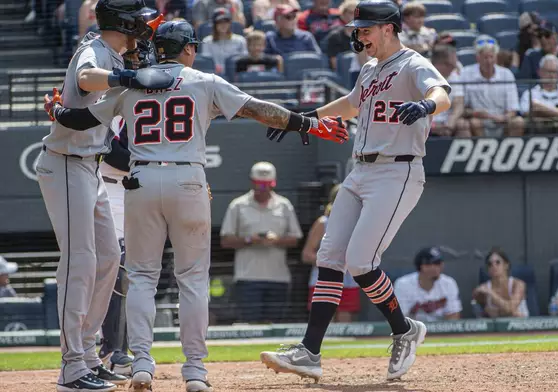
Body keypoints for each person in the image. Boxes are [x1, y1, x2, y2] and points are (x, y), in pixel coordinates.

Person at [44, 19, 348, 392]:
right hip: (187, 178)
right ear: (188, 48)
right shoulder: (204, 81)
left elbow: (80, 119)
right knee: (192, 279)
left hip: (140, 179)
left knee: (141, 277)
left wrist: (56, 110)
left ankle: (140, 363)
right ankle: (195, 371)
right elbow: (260, 110)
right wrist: (307, 124)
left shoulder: (133, 81)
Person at [260, 0, 451, 383]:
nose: (359, 34)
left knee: (362, 261)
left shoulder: (412, 63)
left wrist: (427, 105)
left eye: (366, 28)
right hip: (359, 169)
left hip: (397, 171)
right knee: (330, 255)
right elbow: (349, 105)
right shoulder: (368, 69)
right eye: (358, 28)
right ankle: (310, 352)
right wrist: (302, 120)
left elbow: (443, 92)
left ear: (390, 29)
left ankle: (404, 330)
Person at [35, 1, 174, 391]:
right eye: (141, 22)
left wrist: (126, 75)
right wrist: (127, 78)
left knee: (110, 257)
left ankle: (89, 354)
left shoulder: (112, 52)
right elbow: (87, 78)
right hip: (64, 163)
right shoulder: (95, 51)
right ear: (125, 21)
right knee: (79, 261)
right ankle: (71, 367)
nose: (146, 30)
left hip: (89, 166)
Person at [96, 40, 155, 378]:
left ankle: (127, 348)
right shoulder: (113, 99)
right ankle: (111, 350)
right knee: (114, 271)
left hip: (140, 190)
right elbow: (113, 154)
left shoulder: (150, 103)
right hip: (111, 187)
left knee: (138, 273)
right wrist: (150, 161)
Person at [220, 162, 303, 324]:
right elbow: (225, 240)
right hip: (248, 277)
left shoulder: (284, 205)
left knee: (275, 325)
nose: (263, 189)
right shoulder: (238, 205)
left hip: (278, 278)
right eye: (260, 185)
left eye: (267, 185)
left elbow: (295, 238)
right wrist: (249, 239)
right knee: (251, 325)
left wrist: (276, 240)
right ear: (252, 182)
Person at [302, 184, 361, 323]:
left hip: (348, 282)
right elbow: (306, 255)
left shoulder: (358, 224)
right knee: (322, 324)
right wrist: (332, 261)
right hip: (323, 281)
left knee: (344, 324)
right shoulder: (323, 223)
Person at [457, 35, 524, 137]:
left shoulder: (507, 74)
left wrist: (503, 118)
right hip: (479, 120)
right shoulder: (465, 73)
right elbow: (462, 108)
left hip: (503, 120)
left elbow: (513, 110)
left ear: (496, 57)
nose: (488, 61)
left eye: (491, 57)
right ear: (477, 58)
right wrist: (475, 113)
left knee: (518, 122)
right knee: (474, 122)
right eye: (485, 57)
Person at [393, 247, 462, 322]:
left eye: (438, 263)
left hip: (440, 330)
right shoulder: (403, 284)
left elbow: (454, 316)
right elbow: (400, 319)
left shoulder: (449, 283)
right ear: (420, 266)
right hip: (413, 330)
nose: (435, 267)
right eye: (429, 264)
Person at [472, 247, 529, 318]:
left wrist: (491, 293)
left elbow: (510, 308)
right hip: (497, 328)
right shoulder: (484, 288)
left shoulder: (518, 284)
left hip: (521, 327)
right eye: (490, 264)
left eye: (497, 262)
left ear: (506, 265)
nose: (494, 266)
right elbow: (482, 312)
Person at [430, 44, 468, 137]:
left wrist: (450, 122)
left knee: (463, 125)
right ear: (438, 64)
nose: (454, 67)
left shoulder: (453, 76)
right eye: (451, 65)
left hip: (446, 121)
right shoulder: (420, 76)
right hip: (425, 122)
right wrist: (433, 126)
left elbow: (459, 103)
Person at [201, 7, 248, 74]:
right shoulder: (207, 41)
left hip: (235, 75)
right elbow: (207, 63)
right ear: (214, 25)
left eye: (226, 22)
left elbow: (244, 61)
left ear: (230, 23)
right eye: (219, 22)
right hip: (214, 76)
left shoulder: (240, 40)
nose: (223, 25)